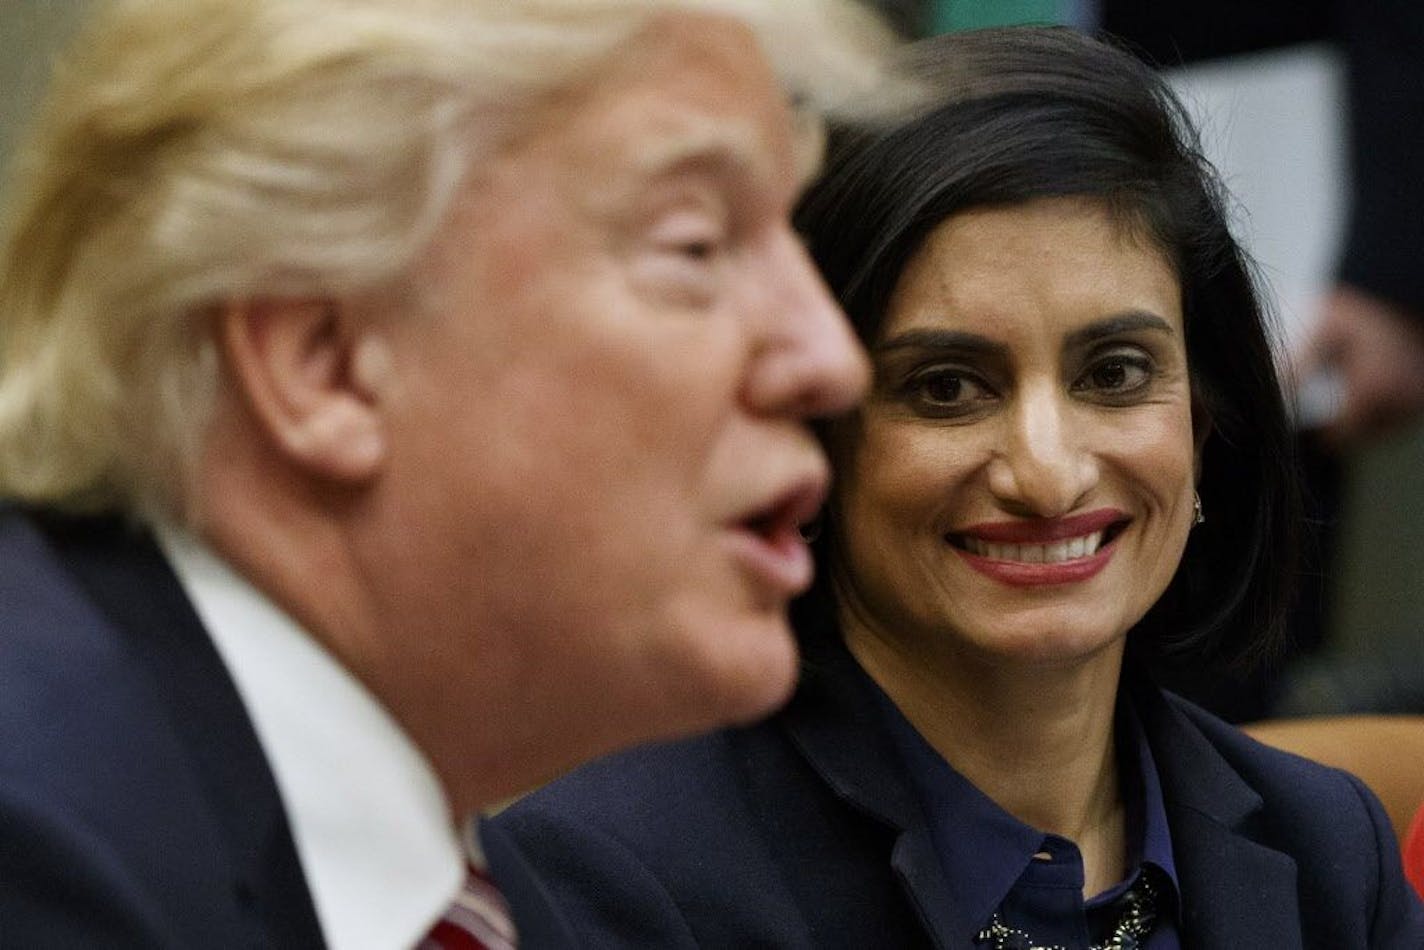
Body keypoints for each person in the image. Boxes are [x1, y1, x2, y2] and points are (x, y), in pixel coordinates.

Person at [494, 26, 1424, 948]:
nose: (1047, 473)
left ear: (1206, 423)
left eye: (1115, 373)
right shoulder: (611, 882)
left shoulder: (1332, 848)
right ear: (812, 440)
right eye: (946, 389)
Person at [0, 0, 905, 946]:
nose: (832, 360)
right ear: (328, 363)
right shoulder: (37, 849)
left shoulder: (499, 903)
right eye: (695, 246)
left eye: (791, 240)